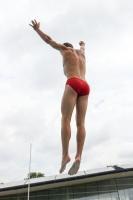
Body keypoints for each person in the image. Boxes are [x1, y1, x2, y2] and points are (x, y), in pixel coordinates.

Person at [29, 19, 90, 175]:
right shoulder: (81, 54)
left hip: (73, 82)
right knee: (81, 123)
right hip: (85, 86)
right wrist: (82, 44)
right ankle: (78, 157)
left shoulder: (65, 50)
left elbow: (49, 41)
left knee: (65, 119)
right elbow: (83, 46)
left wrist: (37, 30)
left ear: (66, 48)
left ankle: (65, 155)